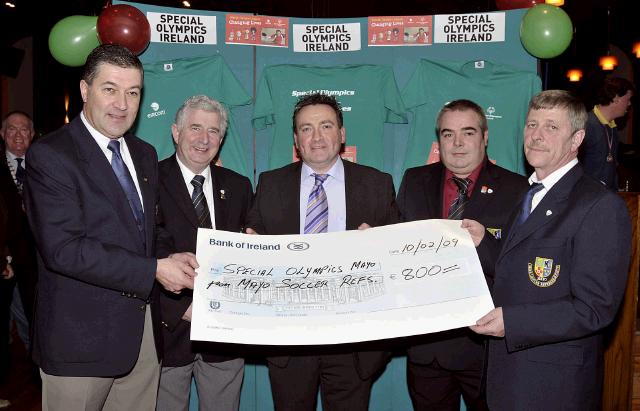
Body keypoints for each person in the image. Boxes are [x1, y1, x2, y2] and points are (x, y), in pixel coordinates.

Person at [23, 44, 197, 411]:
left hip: (143, 340)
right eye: (110, 89)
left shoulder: (144, 153)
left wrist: (171, 256)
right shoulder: (51, 155)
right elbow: (64, 250)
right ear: (86, 91)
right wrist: (154, 269)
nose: (122, 103)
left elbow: (150, 229)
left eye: (133, 92)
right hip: (80, 344)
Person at [469, 90, 631, 410]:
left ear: (577, 139)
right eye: (532, 124)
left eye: (551, 127)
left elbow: (594, 308)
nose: (536, 136)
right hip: (509, 377)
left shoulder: (599, 206)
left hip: (552, 387)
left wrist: (512, 323)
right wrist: (483, 241)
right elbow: (520, 264)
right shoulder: (529, 195)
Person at [245, 92, 400, 411]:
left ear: (342, 135)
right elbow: (250, 241)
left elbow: (399, 257)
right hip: (290, 338)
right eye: (306, 128)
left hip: (354, 340)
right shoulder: (270, 184)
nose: (316, 137)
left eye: (326, 126)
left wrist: (380, 246)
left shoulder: (377, 184)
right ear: (295, 139)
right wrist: (251, 248)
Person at [397, 99, 528, 411]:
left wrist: (484, 243)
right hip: (427, 346)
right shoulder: (414, 181)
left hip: (486, 348)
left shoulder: (518, 189)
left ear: (484, 137)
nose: (457, 144)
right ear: (438, 139)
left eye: (467, 133)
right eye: (447, 134)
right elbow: (398, 253)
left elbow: (522, 271)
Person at [154, 95, 252, 411]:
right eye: (195, 128)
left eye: (213, 131)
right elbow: (144, 249)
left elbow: (249, 254)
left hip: (223, 337)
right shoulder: (148, 181)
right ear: (175, 132)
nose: (203, 139)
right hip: (167, 331)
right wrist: (182, 307)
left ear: (221, 140)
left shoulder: (239, 186)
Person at [0, 111, 38, 364]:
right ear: (2, 135)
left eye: (23, 129)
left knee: (35, 318)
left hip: (36, 260)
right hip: (2, 258)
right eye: (11, 129)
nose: (17, 135)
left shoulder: (45, 165)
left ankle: (39, 376)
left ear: (32, 135)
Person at [579, 76, 634, 190]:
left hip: (605, 198)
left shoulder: (612, 127)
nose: (629, 104)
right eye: (627, 99)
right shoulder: (587, 124)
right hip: (588, 197)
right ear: (616, 98)